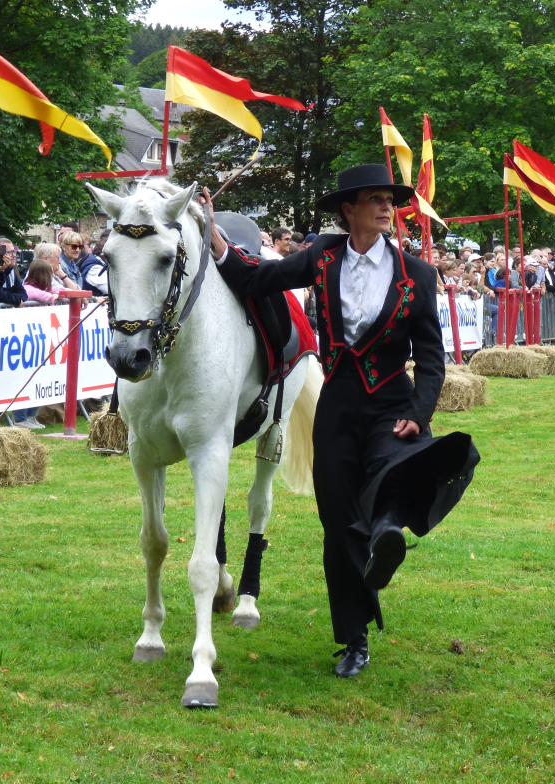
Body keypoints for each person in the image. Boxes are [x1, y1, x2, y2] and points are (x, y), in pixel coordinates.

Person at [203, 163, 479, 678]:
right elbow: (257, 278)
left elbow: (433, 358)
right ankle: (355, 636)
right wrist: (215, 240)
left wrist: (419, 414)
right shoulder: (323, 256)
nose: (385, 207)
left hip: (392, 402)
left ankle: (387, 532)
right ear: (348, 209)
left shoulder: (418, 274)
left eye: (389, 200)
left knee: (391, 474)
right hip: (337, 404)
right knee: (337, 523)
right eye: (374, 199)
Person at [78, 229, 109, 296]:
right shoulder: (94, 267)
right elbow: (110, 289)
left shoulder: (99, 262)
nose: (91, 246)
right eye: (89, 244)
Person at [0, 238, 26, 306]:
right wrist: (16, 300)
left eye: (14, 252)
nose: (14, 255)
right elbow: (0, 295)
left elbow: (23, 294)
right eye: (10, 252)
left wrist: (15, 299)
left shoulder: (11, 271)